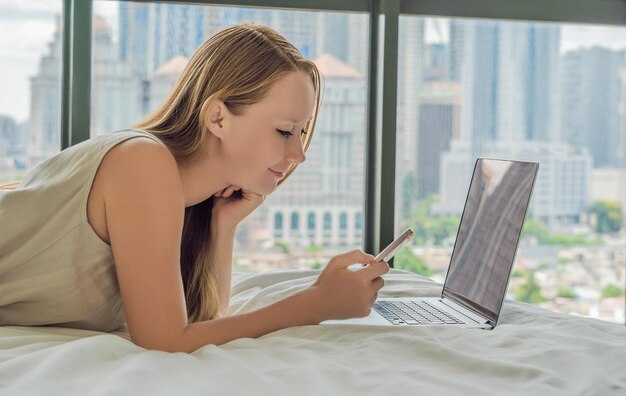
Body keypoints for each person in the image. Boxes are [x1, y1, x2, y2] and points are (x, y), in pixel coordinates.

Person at [0, 23, 388, 353]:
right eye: (285, 131)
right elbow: (166, 341)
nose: (299, 154)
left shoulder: (181, 194)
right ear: (217, 117)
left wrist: (223, 227)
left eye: (301, 133)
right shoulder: (141, 162)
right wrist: (316, 303)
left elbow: (204, 320)